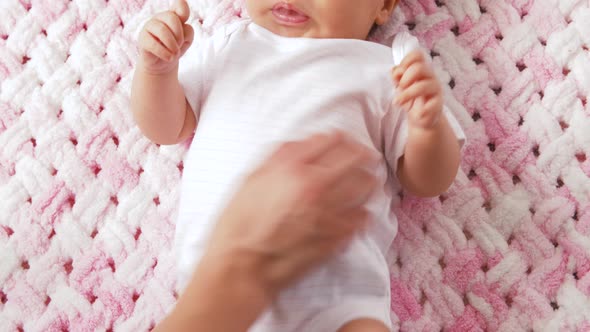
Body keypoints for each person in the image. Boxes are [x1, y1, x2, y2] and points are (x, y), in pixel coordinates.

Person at [131, 0, 465, 330]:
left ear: (383, 7)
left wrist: (428, 127)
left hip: (335, 293)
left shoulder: (388, 69)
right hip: (216, 287)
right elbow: (168, 128)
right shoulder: (228, 45)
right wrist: (157, 71)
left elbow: (428, 181)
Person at [154, 132, 380, 332]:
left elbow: (413, 178)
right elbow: (166, 130)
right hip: (211, 258)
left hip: (342, 267)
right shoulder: (221, 83)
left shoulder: (384, 86)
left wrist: (417, 127)